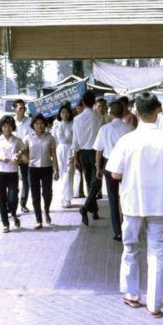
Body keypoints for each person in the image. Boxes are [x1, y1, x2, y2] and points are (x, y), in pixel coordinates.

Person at [106, 92, 163, 317]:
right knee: (157, 252)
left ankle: (131, 293)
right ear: (158, 110)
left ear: (135, 112)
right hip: (161, 204)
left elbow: (114, 173)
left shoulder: (127, 140)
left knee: (131, 247)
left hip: (133, 202)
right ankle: (155, 303)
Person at [93, 100, 133, 241]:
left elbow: (98, 150)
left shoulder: (104, 129)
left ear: (110, 113)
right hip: (126, 164)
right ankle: (129, 228)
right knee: (127, 196)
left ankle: (117, 232)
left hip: (109, 164)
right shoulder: (129, 128)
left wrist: (98, 167)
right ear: (123, 112)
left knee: (112, 198)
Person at [23, 114, 59, 229]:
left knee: (47, 193)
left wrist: (56, 170)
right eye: (37, 123)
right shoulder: (28, 138)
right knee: (35, 194)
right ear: (33, 125)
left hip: (47, 167)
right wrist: (25, 160)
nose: (39, 126)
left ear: (45, 124)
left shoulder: (50, 137)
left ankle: (46, 210)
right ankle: (38, 219)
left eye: (42, 123)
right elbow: (23, 152)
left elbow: (54, 154)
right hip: (32, 168)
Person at [74, 91, 104, 226]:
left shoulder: (77, 119)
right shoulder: (98, 117)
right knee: (96, 181)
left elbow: (75, 140)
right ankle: (85, 208)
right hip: (95, 152)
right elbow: (101, 137)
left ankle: (94, 210)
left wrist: (75, 156)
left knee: (89, 181)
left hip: (82, 153)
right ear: (93, 103)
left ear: (84, 103)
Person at [0, 115, 24, 232]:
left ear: (12, 127)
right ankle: (5, 223)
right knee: (1, 199)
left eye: (9, 126)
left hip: (13, 172)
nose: (7, 129)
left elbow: (23, 153)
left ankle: (13, 213)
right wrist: (0, 157)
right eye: (4, 126)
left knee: (13, 198)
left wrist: (18, 156)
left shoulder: (17, 140)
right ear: (1, 127)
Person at [52, 104, 75, 208]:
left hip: (70, 149)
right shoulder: (56, 123)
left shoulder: (73, 123)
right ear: (59, 114)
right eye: (62, 112)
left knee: (69, 173)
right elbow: (53, 139)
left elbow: (75, 139)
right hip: (60, 150)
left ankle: (68, 198)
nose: (64, 115)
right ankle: (62, 197)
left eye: (66, 112)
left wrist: (75, 153)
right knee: (61, 173)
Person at [12, 99, 32, 213]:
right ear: (15, 109)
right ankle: (13, 203)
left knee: (26, 180)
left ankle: (23, 203)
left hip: (25, 153)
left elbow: (30, 138)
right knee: (13, 180)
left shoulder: (29, 121)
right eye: (20, 108)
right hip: (12, 155)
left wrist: (24, 153)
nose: (22, 110)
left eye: (24, 108)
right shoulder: (11, 121)